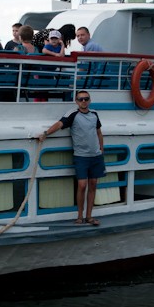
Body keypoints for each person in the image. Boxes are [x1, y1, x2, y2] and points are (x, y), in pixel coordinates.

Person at [38, 90, 105, 226]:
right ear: (76, 101)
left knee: (93, 185)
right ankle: (79, 216)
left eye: (86, 99)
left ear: (90, 100)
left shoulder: (94, 114)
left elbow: (98, 132)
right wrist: (45, 133)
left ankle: (89, 217)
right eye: (80, 99)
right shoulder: (73, 114)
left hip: (96, 156)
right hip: (81, 156)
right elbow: (59, 124)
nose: (83, 101)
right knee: (82, 185)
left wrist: (101, 148)